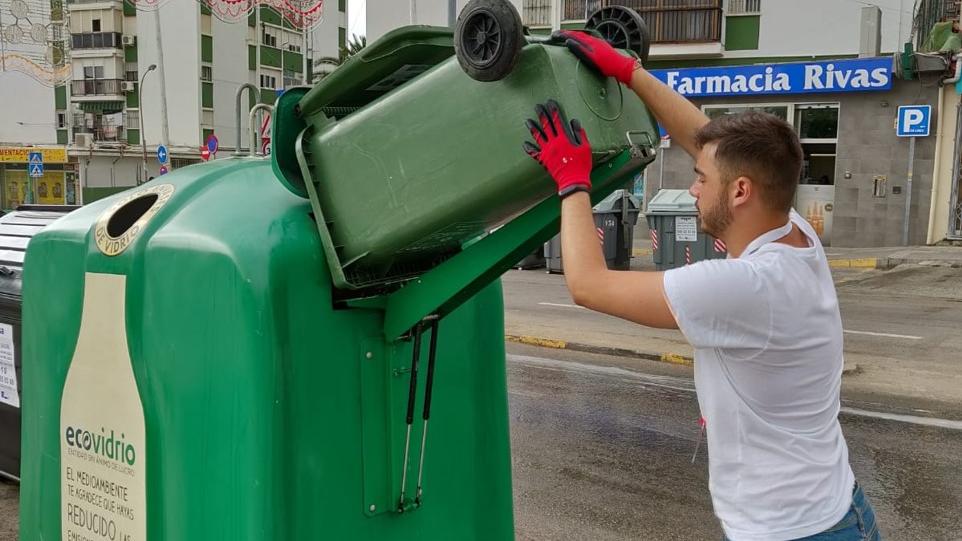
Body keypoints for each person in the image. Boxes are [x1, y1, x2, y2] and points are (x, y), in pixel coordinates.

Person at [522, 30, 881, 541]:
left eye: (700, 179)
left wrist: (571, 180)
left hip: (796, 532)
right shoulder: (793, 234)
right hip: (833, 508)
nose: (692, 187)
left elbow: (588, 284)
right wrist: (631, 73)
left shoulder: (746, 287)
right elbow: (711, 143)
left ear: (739, 192)